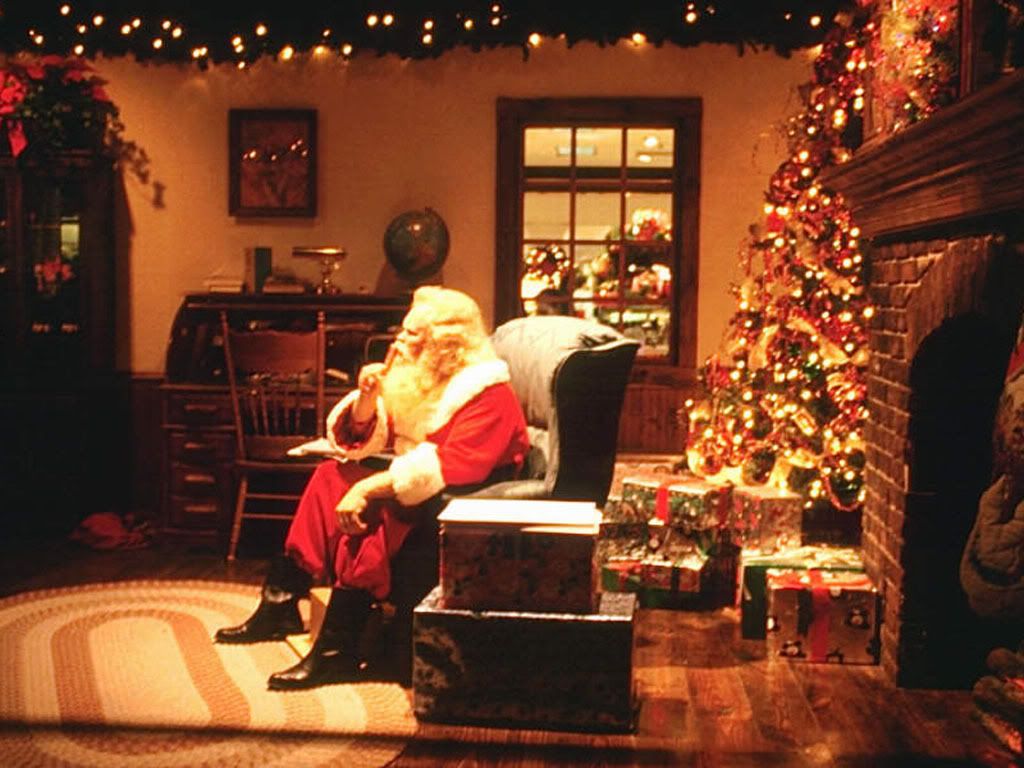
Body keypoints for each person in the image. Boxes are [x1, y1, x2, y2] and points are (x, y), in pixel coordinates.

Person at [214, 286, 530, 690]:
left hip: (459, 494)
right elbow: (380, 434)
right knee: (329, 477)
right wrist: (367, 398)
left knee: (373, 512)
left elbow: (450, 465)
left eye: (412, 333)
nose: (399, 339)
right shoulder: (426, 379)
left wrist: (367, 490)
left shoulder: (488, 394)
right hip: (418, 477)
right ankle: (281, 603)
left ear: (444, 343)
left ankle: (338, 651)